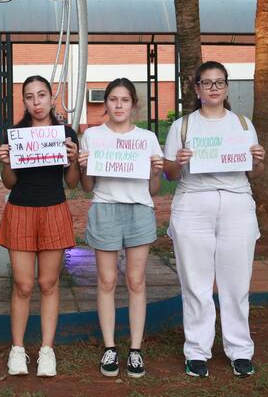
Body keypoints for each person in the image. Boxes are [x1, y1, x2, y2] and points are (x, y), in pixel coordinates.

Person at [162, 61, 266, 379]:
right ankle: (197, 351)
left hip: (236, 202)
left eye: (219, 82)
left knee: (236, 283)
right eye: (206, 83)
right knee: (196, 283)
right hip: (193, 202)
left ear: (227, 87)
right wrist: (178, 162)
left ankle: (239, 350)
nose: (213, 88)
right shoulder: (182, 126)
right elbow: (168, 173)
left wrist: (258, 161)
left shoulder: (243, 125)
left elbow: (253, 172)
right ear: (196, 89)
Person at [78, 78, 163, 379]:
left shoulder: (148, 138)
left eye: (124, 100)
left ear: (133, 105)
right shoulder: (92, 137)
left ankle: (136, 350)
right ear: (106, 104)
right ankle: (110, 347)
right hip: (105, 208)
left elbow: (153, 188)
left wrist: (155, 172)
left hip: (140, 210)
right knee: (107, 280)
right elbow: (88, 187)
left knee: (136, 280)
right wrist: (84, 167)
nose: (118, 105)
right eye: (113, 99)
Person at [0, 75, 80, 377]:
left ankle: (47, 350)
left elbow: (72, 185)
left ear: (50, 98)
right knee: (23, 285)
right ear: (24, 101)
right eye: (30, 97)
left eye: (41, 95)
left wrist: (73, 161)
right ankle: (17, 349)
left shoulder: (65, 133)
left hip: (54, 209)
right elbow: (9, 182)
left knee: (48, 283)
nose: (36, 102)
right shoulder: (15, 134)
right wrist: (6, 162)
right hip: (20, 209)